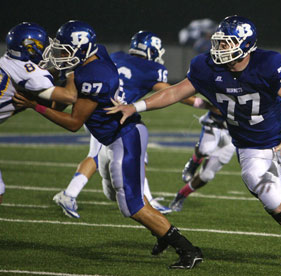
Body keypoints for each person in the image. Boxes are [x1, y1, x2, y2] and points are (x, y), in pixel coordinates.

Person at [105, 15, 281, 273]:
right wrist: (135, 106)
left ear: (246, 45)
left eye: (227, 44)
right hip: (249, 146)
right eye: (219, 43)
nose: (219, 49)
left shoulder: (267, 63)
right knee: (271, 198)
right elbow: (174, 92)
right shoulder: (206, 66)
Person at [13, 20, 203, 269]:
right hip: (117, 136)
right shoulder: (96, 54)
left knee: (132, 206)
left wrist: (34, 104)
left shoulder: (94, 76)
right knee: (123, 196)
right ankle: (162, 234)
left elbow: (72, 122)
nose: (60, 54)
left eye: (65, 49)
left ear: (82, 49)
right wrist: (65, 77)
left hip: (123, 136)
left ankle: (188, 250)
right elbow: (64, 98)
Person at [0, 22, 78, 204]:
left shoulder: (7, 61)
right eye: (43, 46)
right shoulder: (29, 73)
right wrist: (72, 72)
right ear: (30, 48)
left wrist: (57, 71)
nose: (47, 51)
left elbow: (36, 81)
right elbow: (68, 97)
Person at [170, 111, 235, 211]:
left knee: (207, 175)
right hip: (216, 123)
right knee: (205, 150)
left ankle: (181, 195)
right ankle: (193, 163)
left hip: (233, 136)